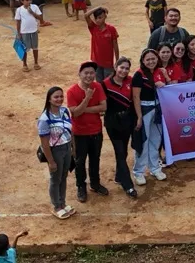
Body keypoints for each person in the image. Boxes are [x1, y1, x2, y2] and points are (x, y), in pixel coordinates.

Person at [66, 61, 108, 203]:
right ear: (80, 74)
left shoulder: (98, 86)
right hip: (79, 133)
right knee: (80, 161)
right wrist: (88, 98)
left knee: (95, 159)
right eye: (86, 73)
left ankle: (95, 184)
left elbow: (104, 107)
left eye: (92, 73)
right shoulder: (72, 91)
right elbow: (75, 114)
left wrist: (84, 108)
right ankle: (81, 187)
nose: (89, 76)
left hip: (96, 131)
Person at [37, 87, 76, 219]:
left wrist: (73, 148)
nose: (59, 99)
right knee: (55, 179)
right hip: (55, 151)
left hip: (66, 148)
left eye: (61, 96)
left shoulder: (65, 111)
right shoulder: (44, 119)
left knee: (63, 176)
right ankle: (56, 206)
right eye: (56, 97)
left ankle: (63, 203)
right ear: (49, 99)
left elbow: (70, 130)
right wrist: (51, 161)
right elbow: (44, 143)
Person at [102, 58, 137, 199]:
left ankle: (118, 175)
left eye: (127, 68)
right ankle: (128, 185)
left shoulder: (131, 81)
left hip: (127, 121)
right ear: (115, 67)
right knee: (120, 151)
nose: (124, 71)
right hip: (113, 123)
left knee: (123, 151)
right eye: (121, 67)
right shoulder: (104, 84)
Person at [132, 49, 167, 184]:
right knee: (144, 141)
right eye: (148, 59)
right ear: (143, 61)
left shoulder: (160, 72)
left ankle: (155, 168)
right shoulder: (139, 75)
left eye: (153, 58)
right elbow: (136, 97)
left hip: (158, 108)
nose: (151, 61)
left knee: (155, 139)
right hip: (145, 109)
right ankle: (139, 172)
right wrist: (139, 116)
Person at [87, 8, 120, 81]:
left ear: (105, 16)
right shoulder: (93, 28)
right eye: (96, 18)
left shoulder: (111, 29)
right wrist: (99, 7)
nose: (98, 20)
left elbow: (115, 46)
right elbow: (86, 15)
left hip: (108, 63)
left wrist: (117, 61)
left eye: (100, 17)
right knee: (99, 82)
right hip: (96, 62)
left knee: (108, 82)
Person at [14, 0, 43, 71]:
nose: (29, 2)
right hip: (24, 32)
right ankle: (25, 64)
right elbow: (18, 22)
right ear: (22, 1)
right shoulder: (19, 10)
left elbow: (40, 18)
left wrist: (32, 13)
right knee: (24, 48)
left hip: (34, 30)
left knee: (35, 47)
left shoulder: (35, 7)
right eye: (27, 0)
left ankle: (36, 63)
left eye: (30, 0)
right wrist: (18, 32)